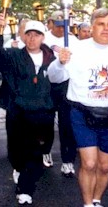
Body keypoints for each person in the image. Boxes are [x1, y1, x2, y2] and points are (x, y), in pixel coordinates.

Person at [48, 8, 108, 207]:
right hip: (82, 113)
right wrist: (60, 62)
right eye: (101, 24)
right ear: (92, 26)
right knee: (89, 163)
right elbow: (54, 77)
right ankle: (87, 204)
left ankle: (97, 199)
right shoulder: (78, 49)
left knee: (105, 166)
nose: (106, 29)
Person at [0, 15, 56, 205]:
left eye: (37, 35)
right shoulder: (14, 55)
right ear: (24, 37)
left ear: (43, 37)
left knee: (35, 151)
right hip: (18, 112)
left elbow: (61, 81)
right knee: (16, 150)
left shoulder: (53, 58)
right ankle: (18, 168)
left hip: (42, 112)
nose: (33, 38)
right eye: (29, 35)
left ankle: (25, 189)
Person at [44, 11, 79, 174]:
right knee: (46, 122)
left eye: (63, 26)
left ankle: (68, 160)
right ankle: (45, 151)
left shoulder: (73, 40)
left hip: (66, 85)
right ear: (50, 23)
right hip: (46, 85)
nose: (61, 29)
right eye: (58, 26)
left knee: (67, 124)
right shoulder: (43, 38)